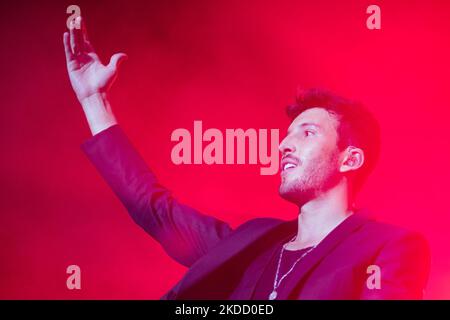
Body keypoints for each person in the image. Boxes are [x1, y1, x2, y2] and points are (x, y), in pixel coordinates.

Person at [63, 16, 430, 300]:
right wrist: (94, 100)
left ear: (349, 159)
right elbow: (156, 211)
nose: (285, 145)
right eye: (286, 136)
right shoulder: (253, 241)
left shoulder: (391, 247)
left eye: (307, 133)